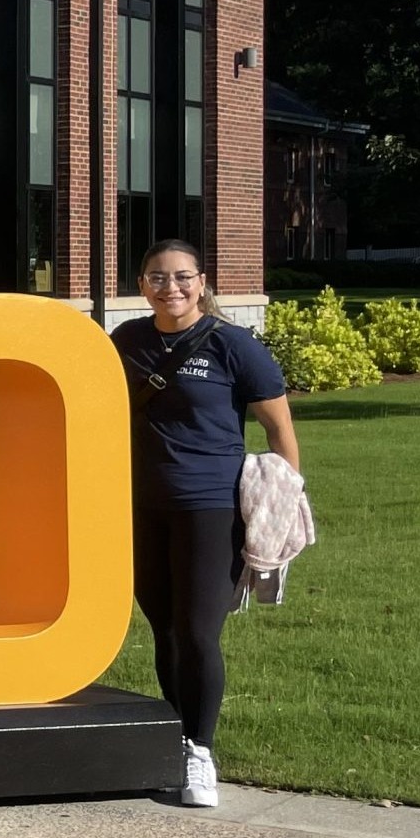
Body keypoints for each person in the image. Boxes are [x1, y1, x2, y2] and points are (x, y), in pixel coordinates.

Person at [114, 240, 301, 809]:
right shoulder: (127, 342)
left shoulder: (232, 345)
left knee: (198, 631)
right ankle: (176, 734)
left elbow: (280, 432)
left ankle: (200, 751)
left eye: (181, 277)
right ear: (142, 284)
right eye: (157, 278)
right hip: (141, 505)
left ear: (201, 282)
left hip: (209, 506)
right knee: (164, 628)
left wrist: (284, 498)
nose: (170, 288)